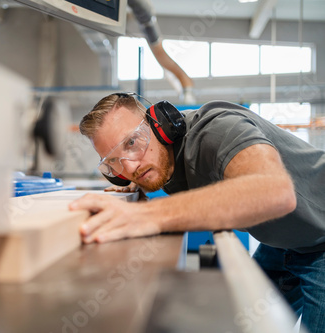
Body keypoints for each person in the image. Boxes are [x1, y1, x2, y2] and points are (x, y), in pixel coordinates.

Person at [68, 93, 325, 333]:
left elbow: (274, 192)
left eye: (132, 142)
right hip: (284, 241)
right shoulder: (155, 159)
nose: (130, 166)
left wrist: (145, 216)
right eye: (113, 161)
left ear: (159, 125)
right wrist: (137, 184)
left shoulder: (218, 128)